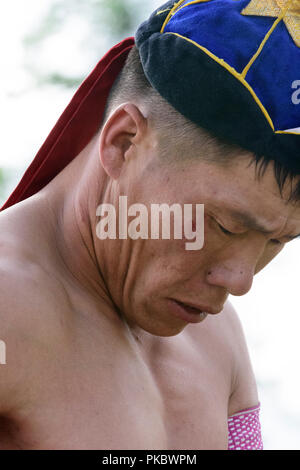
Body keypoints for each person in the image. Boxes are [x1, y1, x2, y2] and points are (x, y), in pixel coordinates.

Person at [0, 0, 299, 450]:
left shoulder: (218, 340)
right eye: (224, 226)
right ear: (124, 143)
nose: (240, 282)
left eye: (277, 240)